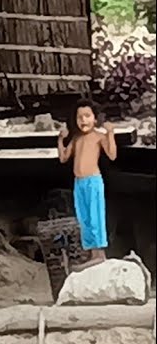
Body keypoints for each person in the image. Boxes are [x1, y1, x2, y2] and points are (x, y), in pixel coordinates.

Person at [57, 99, 117, 270]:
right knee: (83, 218)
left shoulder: (99, 136)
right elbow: (63, 158)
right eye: (79, 117)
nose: (83, 120)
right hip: (79, 183)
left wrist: (110, 133)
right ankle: (92, 253)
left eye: (87, 116)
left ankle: (99, 254)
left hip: (93, 181)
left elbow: (112, 155)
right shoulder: (76, 138)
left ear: (95, 118)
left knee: (95, 216)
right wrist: (61, 140)